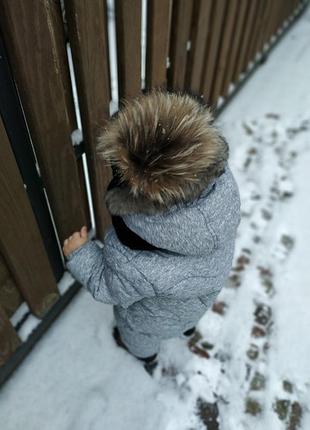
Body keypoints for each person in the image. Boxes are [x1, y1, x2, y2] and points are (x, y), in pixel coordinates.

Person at [63, 89, 241, 374]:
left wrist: (80, 254)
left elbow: (108, 286)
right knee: (185, 311)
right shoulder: (221, 190)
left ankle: (145, 356)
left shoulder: (133, 258)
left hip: (151, 319)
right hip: (201, 294)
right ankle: (186, 330)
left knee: (137, 333)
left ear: (136, 196)